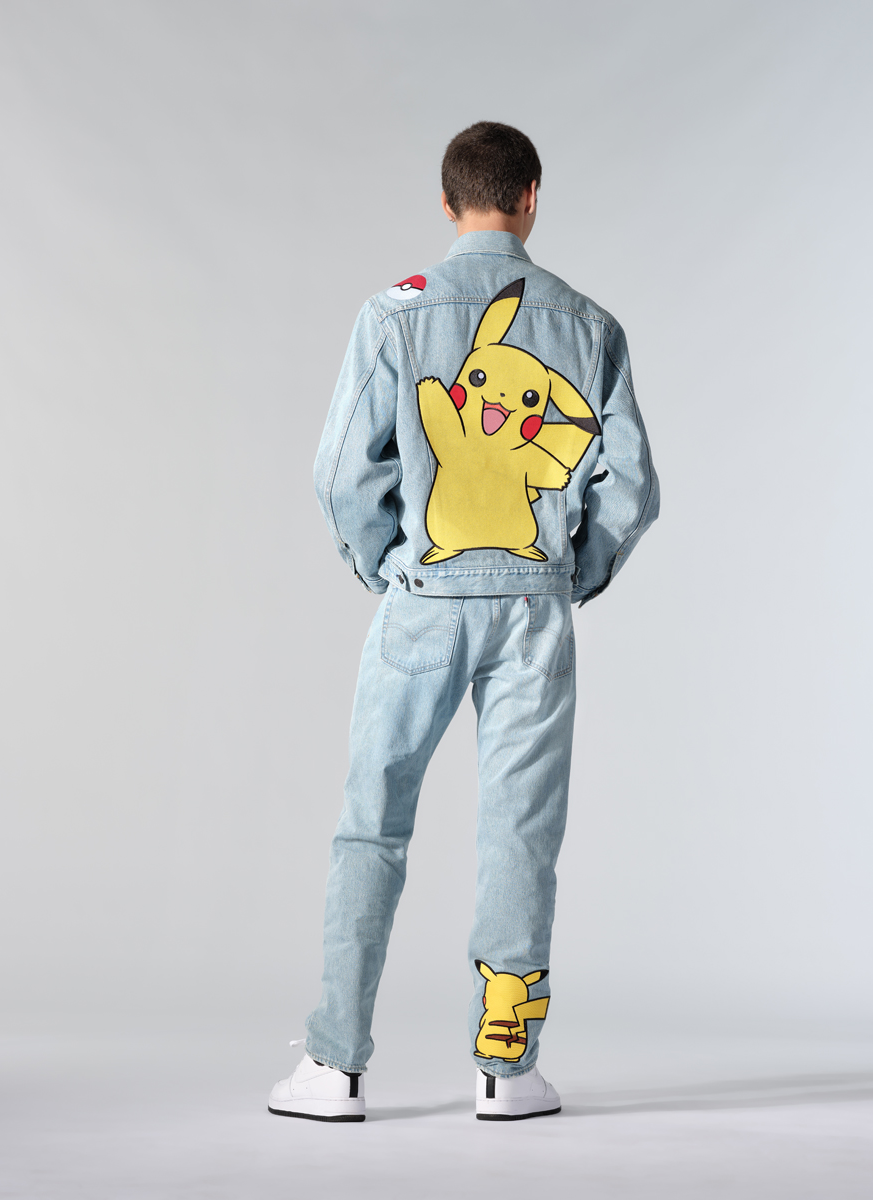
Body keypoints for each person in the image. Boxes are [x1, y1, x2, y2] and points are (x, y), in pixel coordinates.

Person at [268, 121, 659, 1123]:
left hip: (425, 602)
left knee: (373, 823)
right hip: (533, 608)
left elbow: (340, 472)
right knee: (519, 832)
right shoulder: (588, 325)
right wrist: (570, 573)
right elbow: (632, 488)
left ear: (447, 204)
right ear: (531, 198)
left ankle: (335, 1069)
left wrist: (386, 564)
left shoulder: (393, 314)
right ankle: (505, 1070)